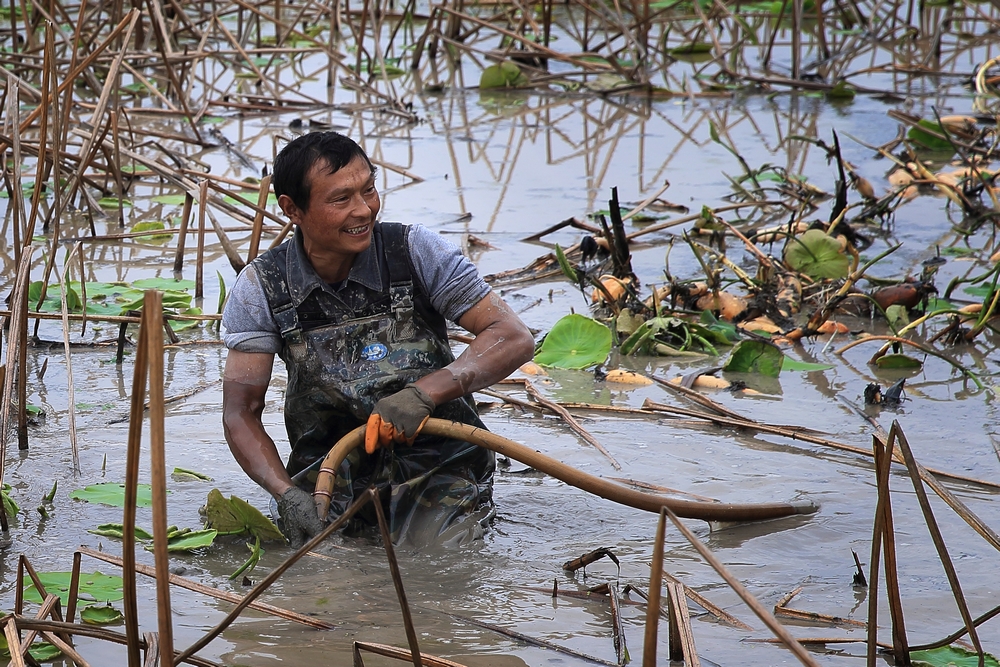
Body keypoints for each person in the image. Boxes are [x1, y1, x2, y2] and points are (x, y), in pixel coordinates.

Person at [221, 132, 535, 548]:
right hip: (329, 480)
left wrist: (425, 393)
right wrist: (285, 494)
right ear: (292, 209)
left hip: (440, 469)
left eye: (369, 189)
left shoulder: (413, 250)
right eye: (341, 199)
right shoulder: (262, 286)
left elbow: (511, 337)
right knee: (317, 578)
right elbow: (240, 414)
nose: (363, 209)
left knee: (441, 568)